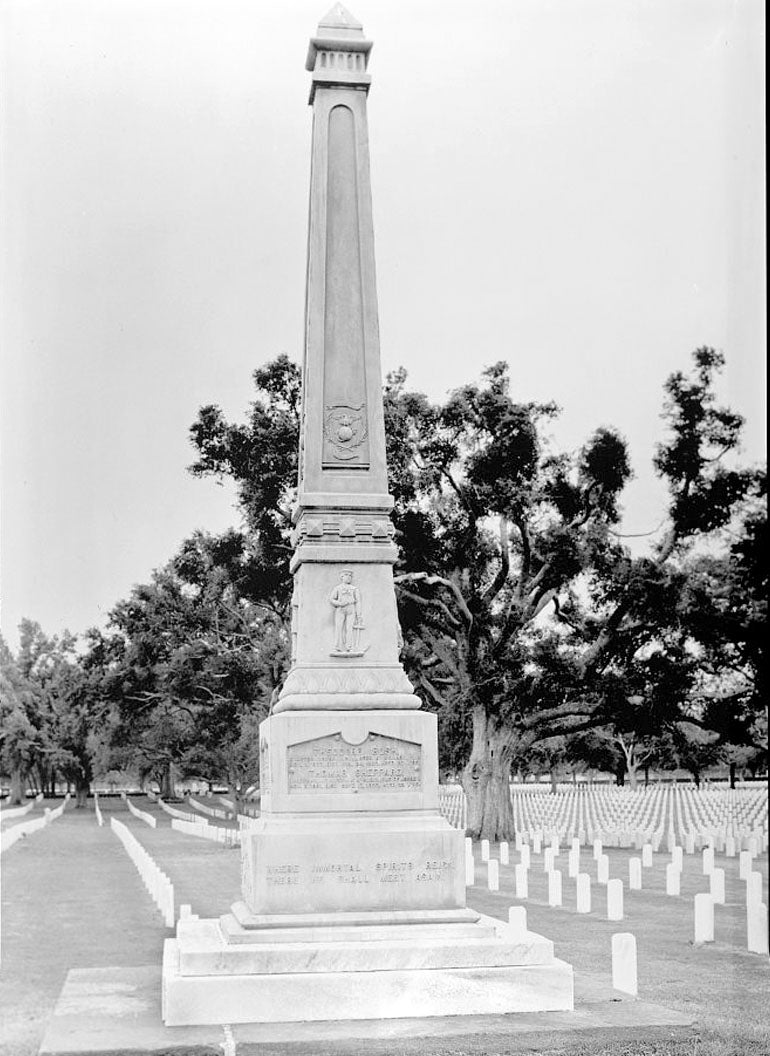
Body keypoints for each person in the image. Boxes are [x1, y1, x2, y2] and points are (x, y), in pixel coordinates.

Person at [329, 569, 362, 652]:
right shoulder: (338, 588)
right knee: (339, 627)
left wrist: (359, 615)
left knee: (349, 628)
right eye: (346, 575)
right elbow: (332, 599)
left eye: (350, 576)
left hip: (351, 609)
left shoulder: (354, 589)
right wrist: (340, 603)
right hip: (340, 609)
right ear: (342, 577)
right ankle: (337, 646)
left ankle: (349, 647)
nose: (348, 577)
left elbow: (358, 602)